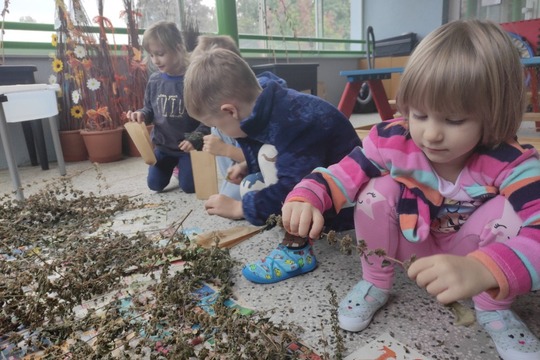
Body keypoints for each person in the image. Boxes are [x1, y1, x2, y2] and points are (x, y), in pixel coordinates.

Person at [281, 20, 540, 360]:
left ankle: (494, 306)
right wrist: (308, 195)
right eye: (419, 114)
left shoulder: (512, 162)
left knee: (509, 213)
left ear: (493, 115)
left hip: (472, 257)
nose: (431, 134)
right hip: (410, 243)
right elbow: (343, 174)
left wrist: (485, 270)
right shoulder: (392, 139)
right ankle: (375, 280)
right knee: (375, 190)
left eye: (454, 120)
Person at [183, 48, 362, 283]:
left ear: (230, 111)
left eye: (215, 125)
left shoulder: (295, 120)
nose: (219, 131)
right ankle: (283, 217)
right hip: (318, 177)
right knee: (250, 184)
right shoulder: (264, 99)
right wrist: (248, 163)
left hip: (349, 201)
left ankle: (296, 250)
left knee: (268, 159)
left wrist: (240, 209)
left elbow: (295, 187)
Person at [126, 21, 210, 193]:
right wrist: (141, 115)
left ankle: (181, 168)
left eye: (160, 54)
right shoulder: (155, 81)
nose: (155, 60)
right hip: (163, 146)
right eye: (151, 55)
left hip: (188, 147)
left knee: (190, 187)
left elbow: (208, 119)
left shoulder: (193, 80)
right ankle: (173, 167)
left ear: (178, 48)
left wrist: (194, 139)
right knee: (154, 185)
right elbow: (149, 109)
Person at [192, 35, 247, 200]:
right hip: (237, 157)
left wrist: (225, 149)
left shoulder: (249, 110)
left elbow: (268, 157)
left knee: (231, 199)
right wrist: (191, 139)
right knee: (215, 128)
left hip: (260, 167)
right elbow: (202, 127)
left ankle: (237, 181)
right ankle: (233, 177)